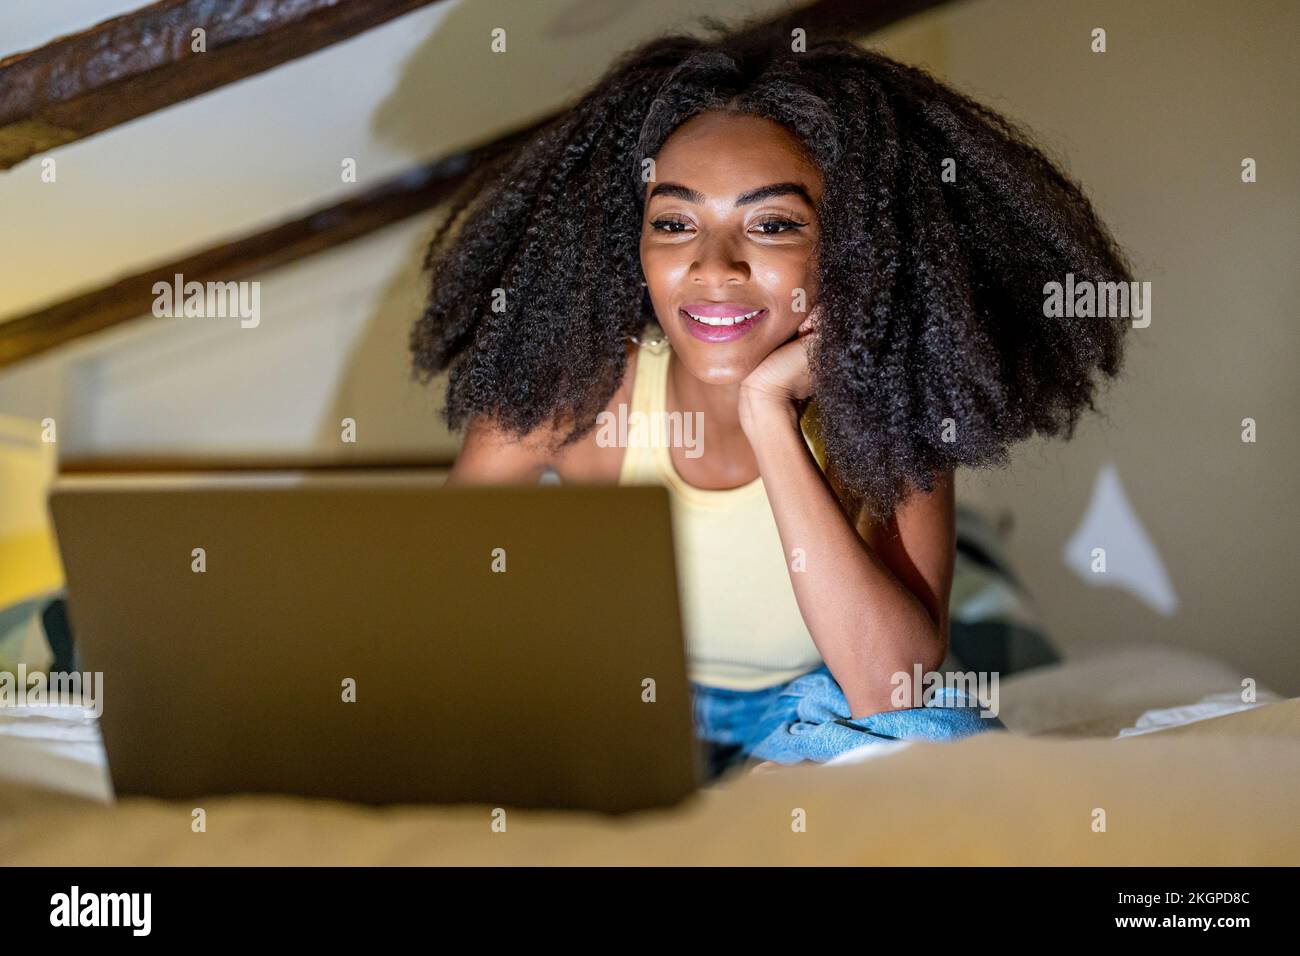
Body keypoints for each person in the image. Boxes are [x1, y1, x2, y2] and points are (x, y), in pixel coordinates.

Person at [410, 21, 1130, 777]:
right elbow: (438, 596)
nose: (713, 266)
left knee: (940, 733)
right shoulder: (576, 385)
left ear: (852, 250)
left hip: (803, 710)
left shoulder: (892, 415)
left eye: (774, 224)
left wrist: (770, 415)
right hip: (638, 700)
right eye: (675, 222)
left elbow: (893, 689)